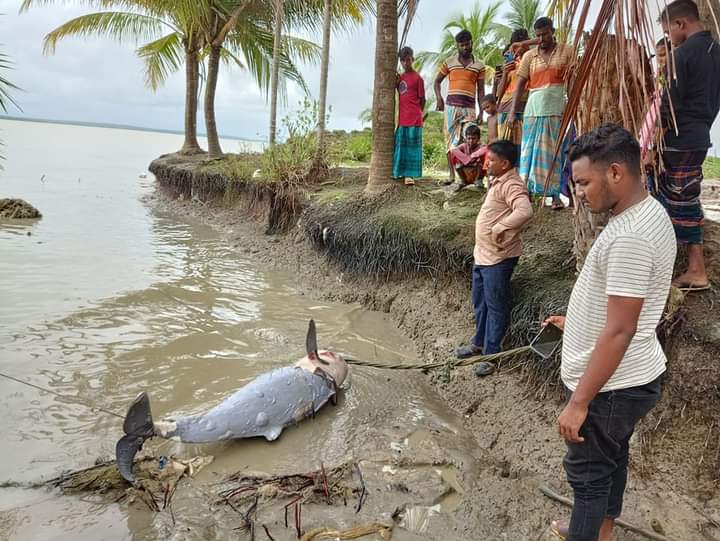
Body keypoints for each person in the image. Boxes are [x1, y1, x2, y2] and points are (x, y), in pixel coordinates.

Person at [545, 124, 676, 541]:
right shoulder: (646, 213)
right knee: (612, 458)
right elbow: (622, 307)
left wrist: (579, 403)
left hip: (612, 386)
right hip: (631, 376)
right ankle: (600, 530)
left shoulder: (631, 236)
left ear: (615, 172)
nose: (578, 193)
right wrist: (576, 325)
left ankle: (586, 530)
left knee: (587, 474)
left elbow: (620, 330)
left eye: (583, 182)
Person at [455, 139, 533, 377]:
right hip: (484, 255)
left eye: (491, 160)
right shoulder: (498, 181)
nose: (486, 164)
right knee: (481, 302)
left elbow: (525, 210)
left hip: (498, 259)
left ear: (505, 163)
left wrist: (500, 227)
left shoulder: (512, 184)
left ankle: (491, 355)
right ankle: (478, 343)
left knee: (496, 306)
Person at [656, 0, 720, 291]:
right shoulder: (716, 51)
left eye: (669, 32)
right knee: (685, 196)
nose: (669, 38)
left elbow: (669, 106)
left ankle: (695, 270)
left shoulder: (682, 55)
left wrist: (651, 145)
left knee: (679, 200)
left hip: (679, 139)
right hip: (699, 135)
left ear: (681, 24)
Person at [508, 17, 575, 209]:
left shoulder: (567, 51)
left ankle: (553, 195)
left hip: (556, 109)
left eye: (545, 34)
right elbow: (520, 84)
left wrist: (573, 108)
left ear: (552, 31)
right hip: (532, 110)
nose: (541, 38)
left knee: (553, 153)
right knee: (528, 153)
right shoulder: (529, 56)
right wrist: (513, 112)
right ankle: (526, 193)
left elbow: (572, 81)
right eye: (538, 35)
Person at [434, 29, 486, 187]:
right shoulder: (449, 62)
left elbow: (481, 90)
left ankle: (475, 177)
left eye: (467, 44)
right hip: (451, 107)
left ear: (472, 43)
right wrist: (439, 98)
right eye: (461, 45)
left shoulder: (479, 65)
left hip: (469, 107)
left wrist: (482, 110)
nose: (465, 47)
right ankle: (452, 176)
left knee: (471, 138)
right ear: (457, 46)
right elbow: (437, 82)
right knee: (450, 141)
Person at [393, 46, 426, 186]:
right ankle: (398, 172)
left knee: (412, 148)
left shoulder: (418, 78)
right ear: (400, 61)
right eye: (403, 61)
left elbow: (423, 99)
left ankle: (410, 176)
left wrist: (418, 114)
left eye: (408, 60)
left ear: (412, 59)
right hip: (402, 119)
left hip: (414, 119)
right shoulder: (399, 78)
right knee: (400, 146)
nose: (406, 63)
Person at [496, 29, 531, 156]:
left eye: (524, 43)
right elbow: (499, 93)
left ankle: (516, 175)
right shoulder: (510, 64)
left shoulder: (532, 60)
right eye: (517, 44)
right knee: (504, 147)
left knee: (521, 147)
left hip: (523, 107)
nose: (520, 47)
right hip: (506, 107)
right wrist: (505, 73)